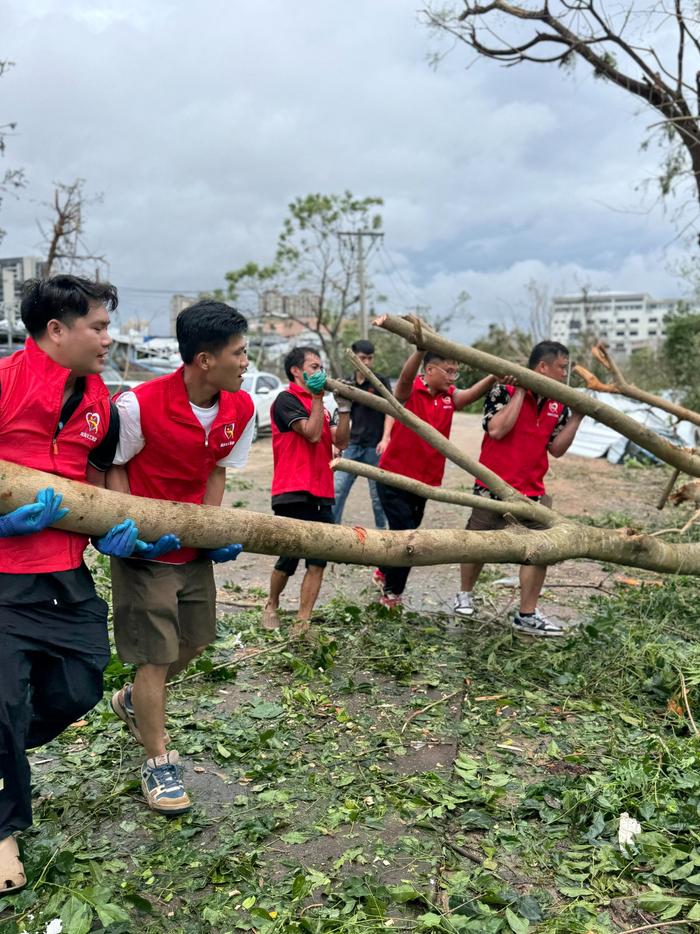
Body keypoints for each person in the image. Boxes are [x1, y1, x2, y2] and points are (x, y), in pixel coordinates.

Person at [0, 275, 160, 894]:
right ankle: (4, 829)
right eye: (97, 326)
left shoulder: (99, 400)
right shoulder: (7, 385)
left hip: (66, 576)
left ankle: (4, 747)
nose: (107, 337)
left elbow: (94, 488)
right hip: (4, 579)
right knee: (4, 703)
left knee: (81, 684)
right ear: (56, 330)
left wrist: (118, 533)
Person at [107, 300, 255, 815]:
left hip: (193, 551)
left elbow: (217, 471)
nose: (246, 361)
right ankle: (157, 761)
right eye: (238, 352)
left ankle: (131, 703)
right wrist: (130, 528)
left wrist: (211, 531)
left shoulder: (241, 409)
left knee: (194, 644)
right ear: (204, 359)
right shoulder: (137, 405)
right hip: (148, 554)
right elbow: (117, 465)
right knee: (157, 655)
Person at [453, 340, 584, 637]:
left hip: (532, 491)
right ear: (542, 367)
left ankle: (526, 614)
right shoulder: (503, 390)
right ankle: (464, 595)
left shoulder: (557, 402)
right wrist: (522, 390)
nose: (565, 374)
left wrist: (577, 417)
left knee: (540, 550)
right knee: (477, 544)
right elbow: (497, 430)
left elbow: (557, 449)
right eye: (562, 367)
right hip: (493, 486)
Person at [375, 345, 499, 608]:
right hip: (393, 477)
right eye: (449, 371)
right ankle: (392, 593)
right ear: (429, 370)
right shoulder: (409, 392)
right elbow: (406, 378)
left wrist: (493, 377)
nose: (453, 377)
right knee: (407, 537)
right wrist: (420, 349)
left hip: (424, 482)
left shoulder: (448, 396)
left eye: (456, 371)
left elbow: (467, 396)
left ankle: (383, 570)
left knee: (409, 526)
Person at [262, 346, 350, 632]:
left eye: (321, 366)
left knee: (317, 560)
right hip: (293, 489)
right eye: (314, 366)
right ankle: (271, 604)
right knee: (290, 555)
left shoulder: (322, 407)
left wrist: (346, 408)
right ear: (296, 371)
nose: (320, 372)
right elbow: (312, 435)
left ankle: (303, 620)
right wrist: (316, 398)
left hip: (322, 490)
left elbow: (343, 441)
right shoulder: (285, 400)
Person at [332, 339, 393, 532]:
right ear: (354, 358)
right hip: (352, 445)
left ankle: (382, 534)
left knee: (377, 497)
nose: (366, 363)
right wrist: (338, 444)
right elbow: (343, 414)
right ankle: (331, 531)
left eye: (370, 358)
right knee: (337, 490)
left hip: (374, 447)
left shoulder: (379, 382)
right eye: (362, 358)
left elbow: (391, 411)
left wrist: (386, 438)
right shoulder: (348, 384)